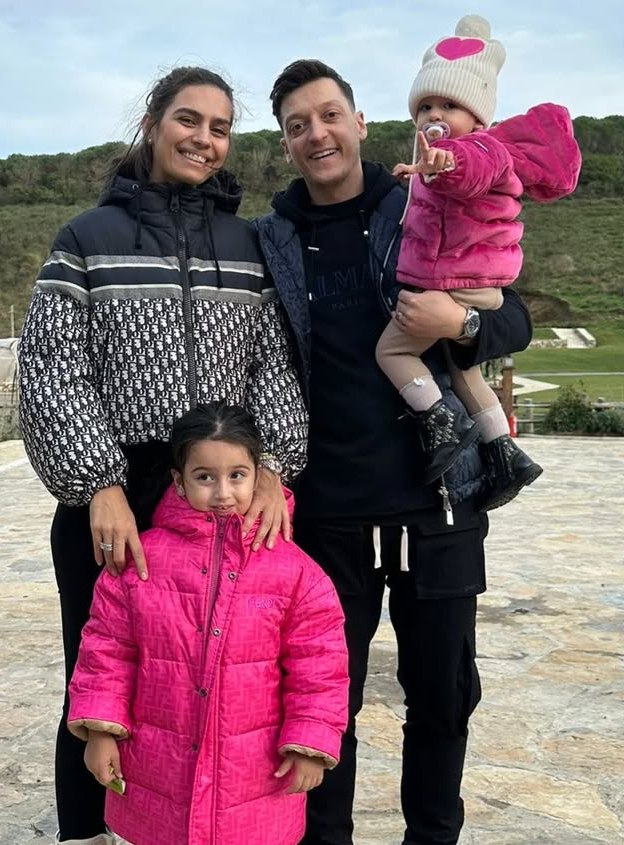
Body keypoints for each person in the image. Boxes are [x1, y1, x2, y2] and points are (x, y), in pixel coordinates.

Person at [17, 66, 308, 845]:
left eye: (220, 128)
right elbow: (53, 368)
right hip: (114, 494)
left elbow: (271, 365)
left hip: (216, 495)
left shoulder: (246, 246)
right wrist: (98, 485)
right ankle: (89, 831)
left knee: (208, 686)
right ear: (152, 124)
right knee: (99, 683)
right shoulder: (85, 238)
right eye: (188, 120)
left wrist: (273, 466)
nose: (203, 139)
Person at [255, 58, 533, 845]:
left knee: (444, 700)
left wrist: (460, 324)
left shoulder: (425, 198)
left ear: (359, 121)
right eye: (298, 125)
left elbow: (513, 318)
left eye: (329, 115)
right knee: (321, 708)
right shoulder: (270, 238)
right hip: (326, 517)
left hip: (437, 506)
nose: (317, 134)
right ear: (285, 145)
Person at [67, 401, 348, 845]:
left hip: (254, 781)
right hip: (158, 773)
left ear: (259, 475)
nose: (223, 493)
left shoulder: (295, 572)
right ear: (179, 480)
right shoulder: (140, 562)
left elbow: (320, 667)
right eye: (204, 477)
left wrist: (311, 741)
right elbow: (107, 651)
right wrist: (100, 732)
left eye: (237, 475)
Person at [376, 14, 581, 509]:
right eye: (425, 106)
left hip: (454, 282)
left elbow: (467, 170)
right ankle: (504, 451)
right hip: (476, 283)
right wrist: (425, 170)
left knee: (392, 353)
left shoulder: (477, 150)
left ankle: (439, 426)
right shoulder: (447, 156)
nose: (434, 114)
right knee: (464, 369)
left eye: (449, 105)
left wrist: (445, 162)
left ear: (479, 116)